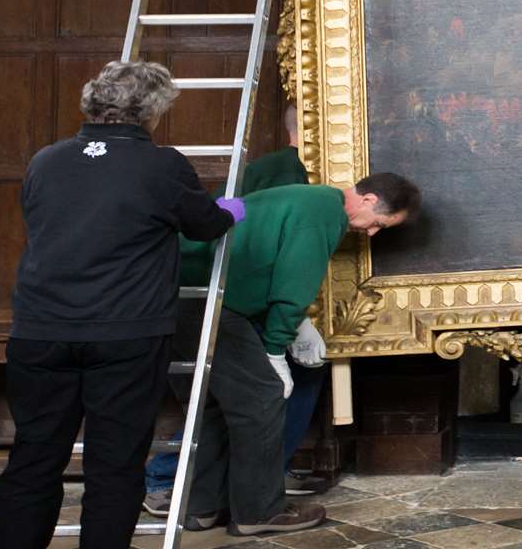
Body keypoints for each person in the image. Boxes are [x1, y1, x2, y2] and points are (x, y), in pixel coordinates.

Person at [0, 62, 243, 549]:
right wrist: (230, 210)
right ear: (153, 110)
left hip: (40, 330)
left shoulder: (46, 160)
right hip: (125, 334)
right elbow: (204, 225)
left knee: (33, 458)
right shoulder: (161, 164)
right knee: (115, 465)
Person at [175, 172, 421, 536]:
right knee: (262, 397)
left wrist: (296, 327)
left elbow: (257, 265)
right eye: (379, 224)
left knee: (212, 403)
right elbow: (293, 284)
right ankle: (259, 513)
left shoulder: (307, 197)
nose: (372, 233)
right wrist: (276, 349)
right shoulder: (325, 211)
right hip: (206, 297)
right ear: (368, 200)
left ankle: (202, 508)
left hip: (177, 289)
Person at [145, 103, 327, 517]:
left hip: (228, 289)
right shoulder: (288, 168)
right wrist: (294, 319)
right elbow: (265, 245)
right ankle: (170, 480)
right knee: (235, 397)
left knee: (236, 395)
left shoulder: (287, 167)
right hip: (222, 290)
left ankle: (242, 487)